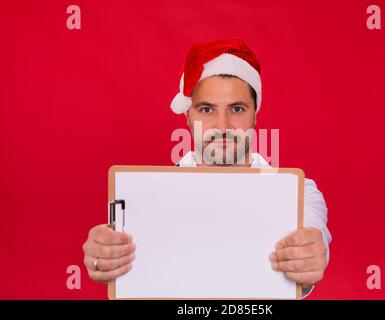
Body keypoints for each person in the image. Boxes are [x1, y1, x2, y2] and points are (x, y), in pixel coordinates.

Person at [82, 38, 332, 298]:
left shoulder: (298, 193)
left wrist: (312, 253)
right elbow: (119, 257)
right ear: (188, 116)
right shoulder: (145, 196)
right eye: (207, 109)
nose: (222, 127)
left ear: (255, 113)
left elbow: (313, 233)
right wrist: (103, 256)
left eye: (236, 108)